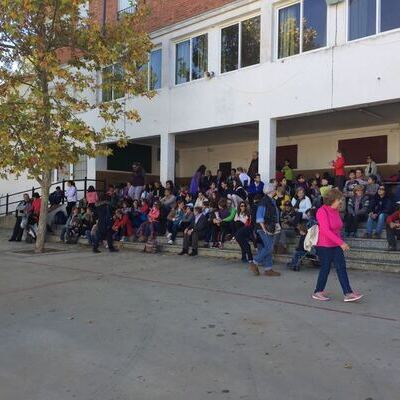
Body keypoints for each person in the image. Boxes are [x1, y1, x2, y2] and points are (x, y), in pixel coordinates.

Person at [312, 188, 363, 302]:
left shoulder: (336, 211)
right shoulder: (321, 211)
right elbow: (325, 230)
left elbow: (337, 229)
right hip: (324, 245)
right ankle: (318, 291)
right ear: (332, 199)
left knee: (341, 268)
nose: (341, 201)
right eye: (339, 199)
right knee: (325, 268)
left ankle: (348, 293)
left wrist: (339, 243)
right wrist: (341, 243)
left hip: (335, 244)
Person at [248, 186, 281, 277]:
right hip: (264, 228)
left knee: (268, 247)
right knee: (269, 248)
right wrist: (264, 229)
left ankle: (268, 269)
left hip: (269, 227)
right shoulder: (264, 201)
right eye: (274, 189)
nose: (275, 190)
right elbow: (259, 217)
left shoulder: (271, 200)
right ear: (271, 191)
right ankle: (254, 262)